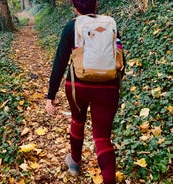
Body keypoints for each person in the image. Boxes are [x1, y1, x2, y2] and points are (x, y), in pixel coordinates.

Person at [45, 0, 125, 183]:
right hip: (108, 87)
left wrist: (51, 95)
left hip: (77, 87)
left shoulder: (72, 26)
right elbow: (120, 57)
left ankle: (74, 162)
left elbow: (60, 61)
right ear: (96, 5)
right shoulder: (110, 25)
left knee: (78, 120)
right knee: (103, 137)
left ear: (75, 7)